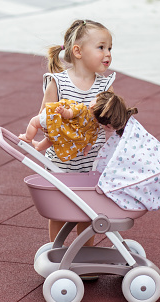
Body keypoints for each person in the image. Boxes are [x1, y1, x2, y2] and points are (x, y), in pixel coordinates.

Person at [40, 19, 115, 249]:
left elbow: (111, 121)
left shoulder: (104, 86)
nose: (108, 54)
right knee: (59, 209)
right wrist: (64, 123)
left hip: (92, 160)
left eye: (110, 48)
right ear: (78, 51)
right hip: (60, 160)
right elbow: (43, 118)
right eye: (101, 47)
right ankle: (57, 249)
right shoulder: (58, 82)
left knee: (89, 210)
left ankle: (86, 252)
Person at [18, 98, 99, 161]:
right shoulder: (95, 126)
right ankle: (39, 146)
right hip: (65, 136)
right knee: (52, 139)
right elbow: (91, 142)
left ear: (92, 104)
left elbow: (69, 114)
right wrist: (86, 151)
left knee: (34, 122)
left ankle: (28, 137)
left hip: (58, 123)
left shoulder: (82, 108)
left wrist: (63, 111)